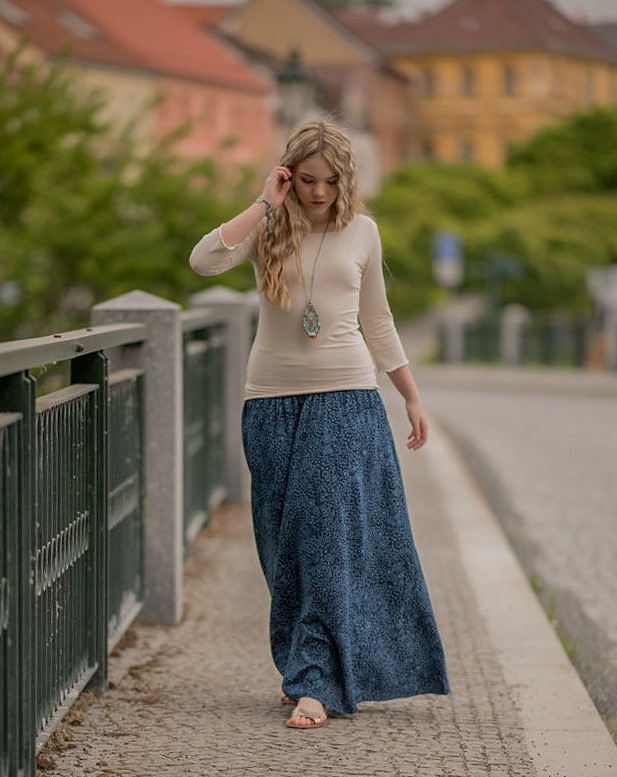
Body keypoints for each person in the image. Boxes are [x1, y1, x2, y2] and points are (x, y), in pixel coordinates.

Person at [189, 119, 449, 730]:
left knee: (327, 542)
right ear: (289, 175)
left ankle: (316, 682)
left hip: (346, 399)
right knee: (283, 546)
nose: (319, 192)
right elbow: (204, 262)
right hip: (270, 402)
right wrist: (264, 202)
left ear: (346, 180)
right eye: (307, 180)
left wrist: (411, 396)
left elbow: (377, 320)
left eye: (330, 182)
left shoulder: (363, 231)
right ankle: (303, 664)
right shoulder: (268, 226)